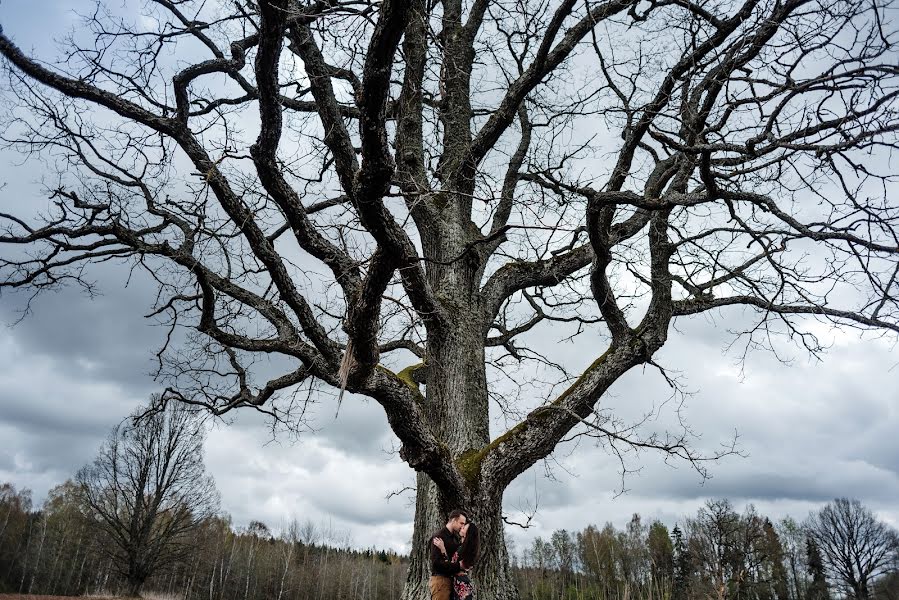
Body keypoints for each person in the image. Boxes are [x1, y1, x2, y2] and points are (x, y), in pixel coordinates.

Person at [433, 520, 480, 600]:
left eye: (464, 527)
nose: (462, 527)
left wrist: (443, 550)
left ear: (468, 532)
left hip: (462, 584)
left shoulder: (468, 550)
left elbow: (452, 566)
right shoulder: (460, 547)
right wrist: (443, 550)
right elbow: (451, 565)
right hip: (455, 583)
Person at [429, 509, 467, 600]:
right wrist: (459, 566)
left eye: (464, 524)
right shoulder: (439, 537)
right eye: (461, 523)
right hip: (441, 581)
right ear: (453, 520)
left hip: (452, 581)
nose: (462, 526)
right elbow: (436, 563)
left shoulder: (454, 538)